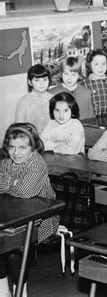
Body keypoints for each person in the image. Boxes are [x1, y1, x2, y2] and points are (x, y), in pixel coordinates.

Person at [0, 123, 59, 297]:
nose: (16, 153)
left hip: (42, 220)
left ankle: (21, 293)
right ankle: (3, 292)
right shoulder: (5, 162)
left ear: (33, 147)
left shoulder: (37, 163)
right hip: (12, 214)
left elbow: (27, 192)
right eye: (12, 147)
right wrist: (15, 184)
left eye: (22, 148)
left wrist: (7, 184)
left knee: (15, 250)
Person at [80, 49, 107, 117]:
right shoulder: (83, 84)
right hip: (91, 121)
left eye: (103, 64)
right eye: (96, 64)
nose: (100, 67)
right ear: (89, 65)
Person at [15, 65, 53, 134]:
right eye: (37, 80)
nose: (42, 83)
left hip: (51, 140)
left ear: (49, 81)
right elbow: (19, 128)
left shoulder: (54, 99)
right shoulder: (23, 102)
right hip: (31, 140)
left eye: (45, 79)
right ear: (29, 82)